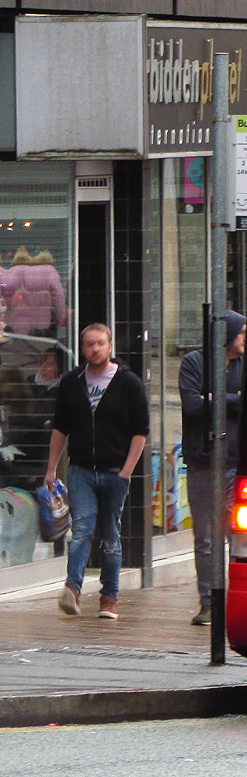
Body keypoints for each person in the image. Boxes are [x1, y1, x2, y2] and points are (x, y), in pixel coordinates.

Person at [46, 323, 149, 620]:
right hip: (81, 470)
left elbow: (140, 431)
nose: (94, 349)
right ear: (82, 348)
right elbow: (60, 428)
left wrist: (127, 471)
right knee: (82, 530)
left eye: (100, 343)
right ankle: (72, 589)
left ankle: (109, 598)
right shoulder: (71, 382)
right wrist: (52, 468)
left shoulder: (129, 383)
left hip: (115, 470)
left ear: (110, 345)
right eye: (89, 344)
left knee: (110, 535)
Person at [179, 311, 246, 626]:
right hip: (203, 463)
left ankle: (237, 598)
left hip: (237, 464)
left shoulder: (246, 366)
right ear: (227, 335)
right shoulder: (194, 363)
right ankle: (208, 603)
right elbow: (192, 406)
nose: (246, 338)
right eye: (241, 332)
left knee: (240, 536)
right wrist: (233, 399)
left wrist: (215, 398)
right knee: (205, 537)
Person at [1, 247, 68, 338]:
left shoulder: (11, 273)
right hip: (42, 326)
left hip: (13, 326)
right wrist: (60, 318)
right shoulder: (49, 271)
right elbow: (59, 297)